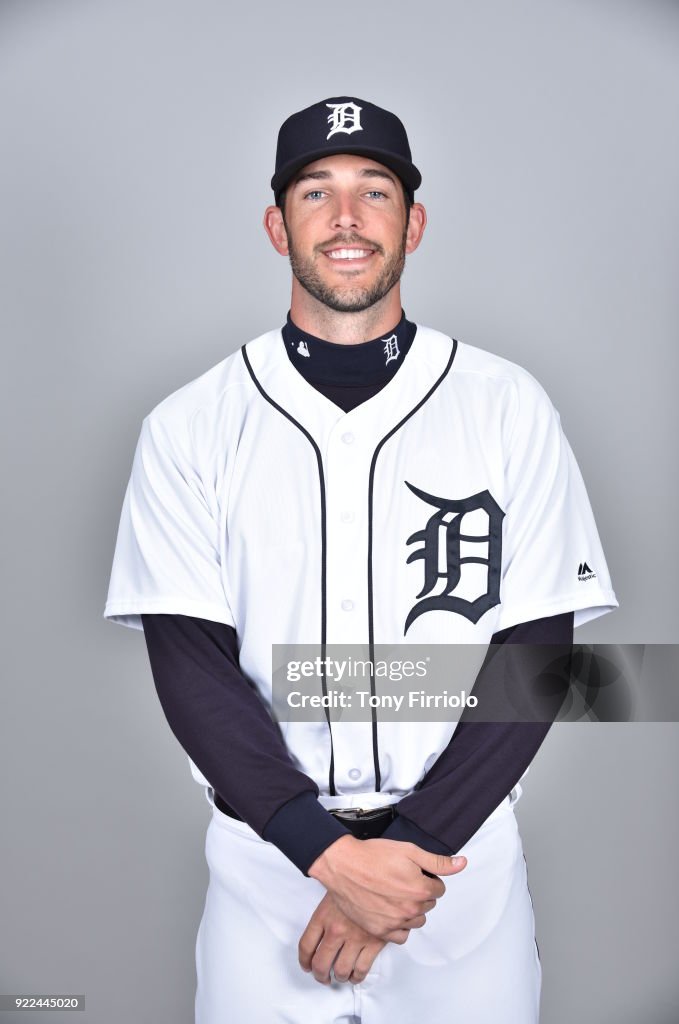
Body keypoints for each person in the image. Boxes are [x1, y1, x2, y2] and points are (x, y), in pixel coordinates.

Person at [104, 96, 618, 1023]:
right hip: (270, 875)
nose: (346, 219)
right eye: (316, 193)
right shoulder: (191, 426)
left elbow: (539, 657)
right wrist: (327, 857)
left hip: (458, 871)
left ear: (413, 222)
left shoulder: (507, 406)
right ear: (277, 225)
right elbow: (191, 669)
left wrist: (410, 855)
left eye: (374, 191)